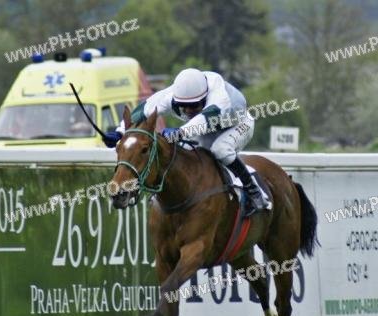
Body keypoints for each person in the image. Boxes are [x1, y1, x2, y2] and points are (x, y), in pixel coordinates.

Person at [104, 68, 270, 216]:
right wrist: (120, 132)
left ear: (205, 98)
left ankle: (253, 190)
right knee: (181, 150)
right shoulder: (171, 95)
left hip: (238, 124)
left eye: (194, 105)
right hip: (206, 127)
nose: (189, 110)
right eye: (184, 106)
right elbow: (142, 111)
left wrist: (179, 133)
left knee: (220, 150)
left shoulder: (219, 98)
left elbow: (203, 121)